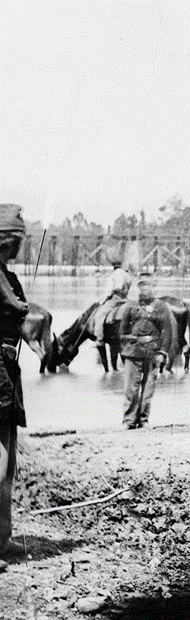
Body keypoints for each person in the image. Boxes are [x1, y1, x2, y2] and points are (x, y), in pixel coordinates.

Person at [0, 204, 29, 556]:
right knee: (1, 456)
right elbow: (23, 314)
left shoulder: (6, 275)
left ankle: (3, 537)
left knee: (7, 456)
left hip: (6, 367)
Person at [119, 274, 173, 429]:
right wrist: (127, 346)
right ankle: (129, 420)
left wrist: (162, 352)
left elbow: (167, 332)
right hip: (133, 350)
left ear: (153, 287)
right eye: (142, 285)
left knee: (148, 388)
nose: (145, 289)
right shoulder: (130, 306)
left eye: (148, 285)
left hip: (153, 351)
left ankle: (143, 420)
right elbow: (122, 331)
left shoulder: (161, 306)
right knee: (130, 388)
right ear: (138, 287)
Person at [92, 251, 133, 347]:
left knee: (99, 316)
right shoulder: (127, 275)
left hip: (116, 300)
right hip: (125, 299)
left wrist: (103, 300)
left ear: (113, 266)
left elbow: (110, 291)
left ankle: (99, 339)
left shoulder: (114, 275)